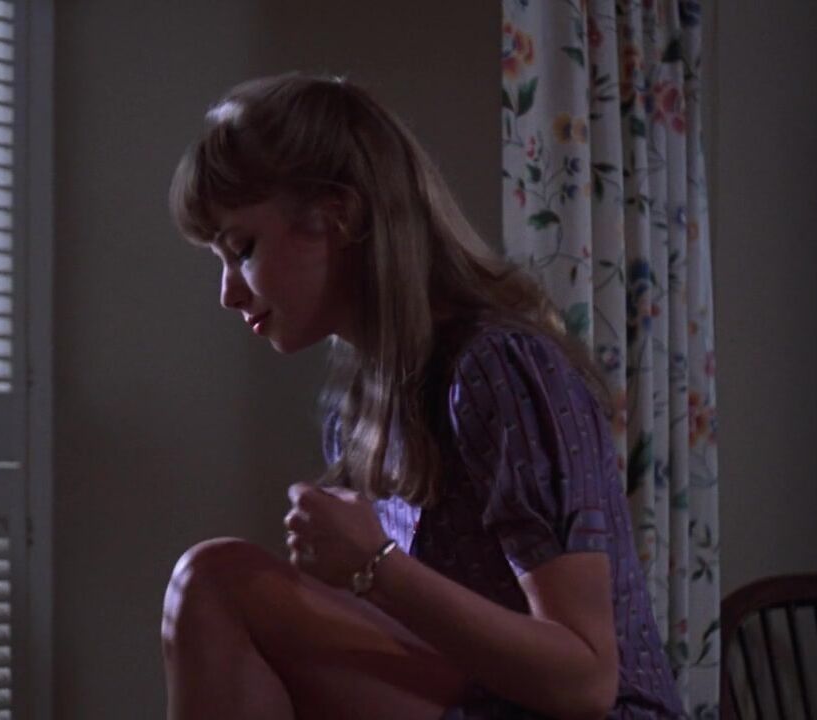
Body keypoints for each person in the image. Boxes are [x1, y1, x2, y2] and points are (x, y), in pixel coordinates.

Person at [160, 73, 684, 719]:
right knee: (228, 609)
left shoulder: (498, 370)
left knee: (216, 580)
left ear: (337, 214)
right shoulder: (357, 401)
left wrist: (374, 567)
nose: (227, 293)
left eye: (242, 249)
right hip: (483, 700)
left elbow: (586, 683)